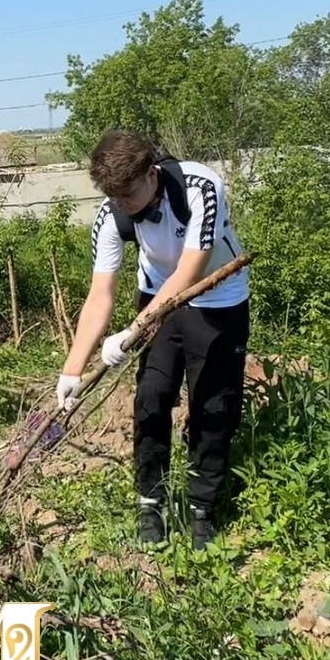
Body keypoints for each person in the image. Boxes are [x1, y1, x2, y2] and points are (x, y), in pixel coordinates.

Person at [57, 130, 250, 549]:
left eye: (127, 193)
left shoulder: (201, 188)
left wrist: (130, 332)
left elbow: (189, 273)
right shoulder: (113, 214)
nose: (121, 204)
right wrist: (72, 368)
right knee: (151, 398)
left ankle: (202, 509)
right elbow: (100, 293)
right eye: (113, 195)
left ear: (151, 173)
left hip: (218, 300)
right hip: (156, 298)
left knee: (213, 406)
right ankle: (151, 502)